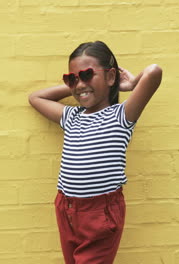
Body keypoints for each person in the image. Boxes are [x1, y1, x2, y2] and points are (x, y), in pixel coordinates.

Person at [28, 40, 162, 264]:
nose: (79, 85)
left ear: (110, 77)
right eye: (73, 78)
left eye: (87, 75)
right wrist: (75, 84)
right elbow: (36, 98)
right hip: (66, 207)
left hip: (100, 212)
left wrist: (126, 84)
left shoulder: (121, 116)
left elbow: (154, 71)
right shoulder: (72, 117)